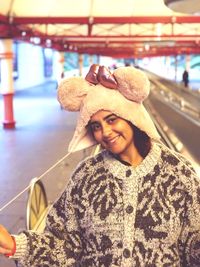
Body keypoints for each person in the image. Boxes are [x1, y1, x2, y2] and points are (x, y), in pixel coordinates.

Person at [0, 64, 200, 266]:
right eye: (96, 126)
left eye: (112, 120)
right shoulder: (86, 176)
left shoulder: (178, 172)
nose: (105, 132)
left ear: (131, 117)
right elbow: (64, 243)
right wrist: (15, 245)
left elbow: (192, 243)